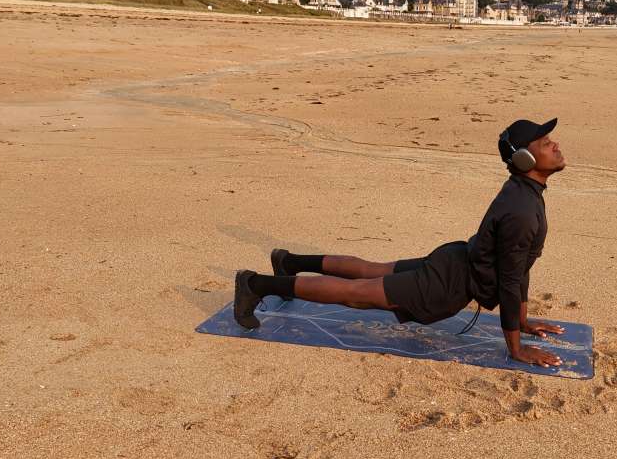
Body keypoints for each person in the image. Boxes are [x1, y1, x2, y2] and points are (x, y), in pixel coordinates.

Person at [234, 117, 567, 368]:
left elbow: (519, 267)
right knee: (356, 294)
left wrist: (522, 319)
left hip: (454, 260)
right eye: (545, 142)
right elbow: (510, 279)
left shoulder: (524, 193)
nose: (554, 145)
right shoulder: (524, 211)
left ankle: (288, 262)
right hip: (446, 283)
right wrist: (516, 348)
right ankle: (255, 284)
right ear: (524, 159)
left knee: (370, 270)